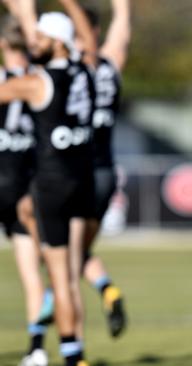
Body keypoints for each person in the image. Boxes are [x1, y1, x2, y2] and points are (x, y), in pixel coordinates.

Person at [0, 9, 94, 366]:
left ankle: (72, 358)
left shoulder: (38, 82)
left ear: (55, 41)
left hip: (51, 185)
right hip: (81, 181)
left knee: (59, 278)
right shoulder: (84, 68)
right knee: (70, 274)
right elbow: (85, 38)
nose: (32, 43)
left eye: (39, 37)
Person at [57, 0, 130, 339]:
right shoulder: (109, 65)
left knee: (65, 266)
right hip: (105, 173)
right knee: (76, 254)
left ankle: (71, 351)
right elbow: (122, 32)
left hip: (74, 175)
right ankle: (107, 290)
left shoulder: (69, 69)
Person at [0, 14, 50, 366]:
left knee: (34, 273)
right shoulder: (41, 82)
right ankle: (37, 349)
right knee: (33, 275)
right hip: (26, 191)